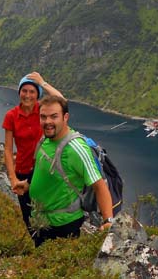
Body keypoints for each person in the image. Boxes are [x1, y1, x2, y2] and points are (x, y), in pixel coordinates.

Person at [16, 90, 114, 246]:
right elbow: (47, 170)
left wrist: (108, 221)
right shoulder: (46, 138)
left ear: (65, 117)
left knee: (55, 266)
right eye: (43, 117)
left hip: (63, 226)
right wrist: (28, 185)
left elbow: (100, 186)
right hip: (41, 220)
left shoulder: (76, 149)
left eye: (54, 116)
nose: (48, 121)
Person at [2, 72, 63, 231]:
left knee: (49, 213)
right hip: (23, 172)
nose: (27, 95)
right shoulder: (11, 116)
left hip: (44, 170)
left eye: (32, 91)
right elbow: (8, 149)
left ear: (38, 95)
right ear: (19, 92)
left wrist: (43, 83)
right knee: (29, 219)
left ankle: (51, 248)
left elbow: (62, 101)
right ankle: (39, 249)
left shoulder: (43, 112)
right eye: (24, 91)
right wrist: (13, 178)